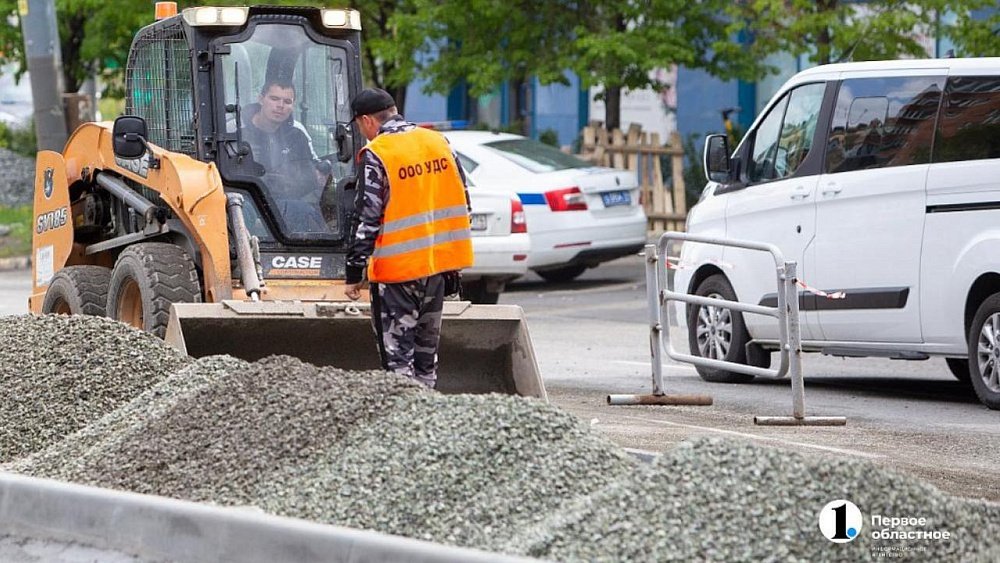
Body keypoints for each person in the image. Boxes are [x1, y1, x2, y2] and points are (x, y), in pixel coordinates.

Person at [344, 87, 473, 389]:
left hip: (397, 274)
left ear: (367, 121)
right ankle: (426, 421)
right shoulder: (438, 143)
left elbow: (367, 218)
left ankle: (405, 424)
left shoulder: (379, 153)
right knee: (426, 359)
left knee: (398, 362)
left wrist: (354, 271)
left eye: (360, 126)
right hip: (438, 270)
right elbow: (463, 203)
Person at [241, 79, 330, 231]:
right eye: (274, 98)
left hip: (287, 203)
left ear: (293, 105)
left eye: (287, 101)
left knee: (308, 214)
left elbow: (310, 176)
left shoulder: (297, 134)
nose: (280, 106)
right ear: (261, 99)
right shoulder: (237, 130)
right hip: (248, 201)